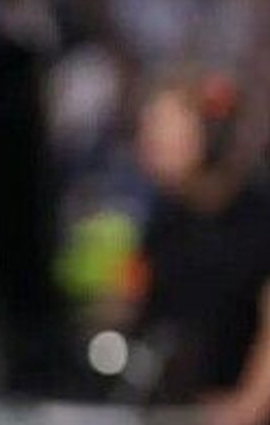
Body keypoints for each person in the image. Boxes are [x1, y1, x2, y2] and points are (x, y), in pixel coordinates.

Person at [133, 72, 270, 425]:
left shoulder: (259, 217)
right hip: (189, 408)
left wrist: (248, 404)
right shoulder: (165, 222)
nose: (148, 144)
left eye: (163, 131)